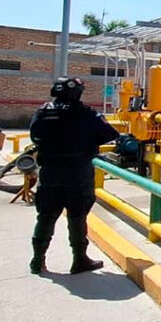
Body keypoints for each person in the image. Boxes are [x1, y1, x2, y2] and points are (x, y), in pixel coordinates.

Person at [29, 76, 120, 274]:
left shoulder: (43, 112)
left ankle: (37, 260)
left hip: (50, 172)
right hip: (78, 172)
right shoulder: (87, 114)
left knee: (45, 216)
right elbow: (110, 134)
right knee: (77, 217)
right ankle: (79, 259)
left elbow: (34, 135)